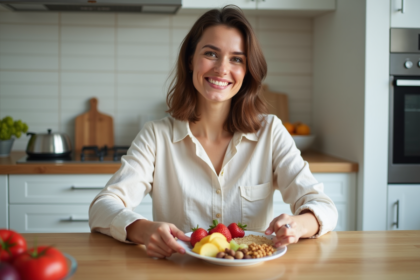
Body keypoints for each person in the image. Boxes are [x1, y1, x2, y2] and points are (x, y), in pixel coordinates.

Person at [89, 5, 337, 259]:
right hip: (179, 272)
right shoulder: (156, 135)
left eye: (237, 59)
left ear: (247, 71)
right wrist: (142, 229)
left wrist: (297, 226)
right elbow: (102, 207)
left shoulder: (271, 132)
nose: (221, 68)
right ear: (190, 60)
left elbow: (323, 207)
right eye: (211, 54)